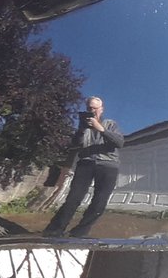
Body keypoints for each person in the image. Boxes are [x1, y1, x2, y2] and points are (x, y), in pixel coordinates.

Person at [45, 96, 124, 238]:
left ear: (102, 109)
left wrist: (100, 129)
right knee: (73, 198)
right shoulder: (84, 128)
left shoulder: (111, 124)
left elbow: (119, 142)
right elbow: (73, 146)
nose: (92, 111)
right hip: (86, 163)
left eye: (95, 108)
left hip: (108, 165)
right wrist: (81, 130)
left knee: (99, 202)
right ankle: (54, 230)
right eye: (89, 108)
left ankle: (79, 232)